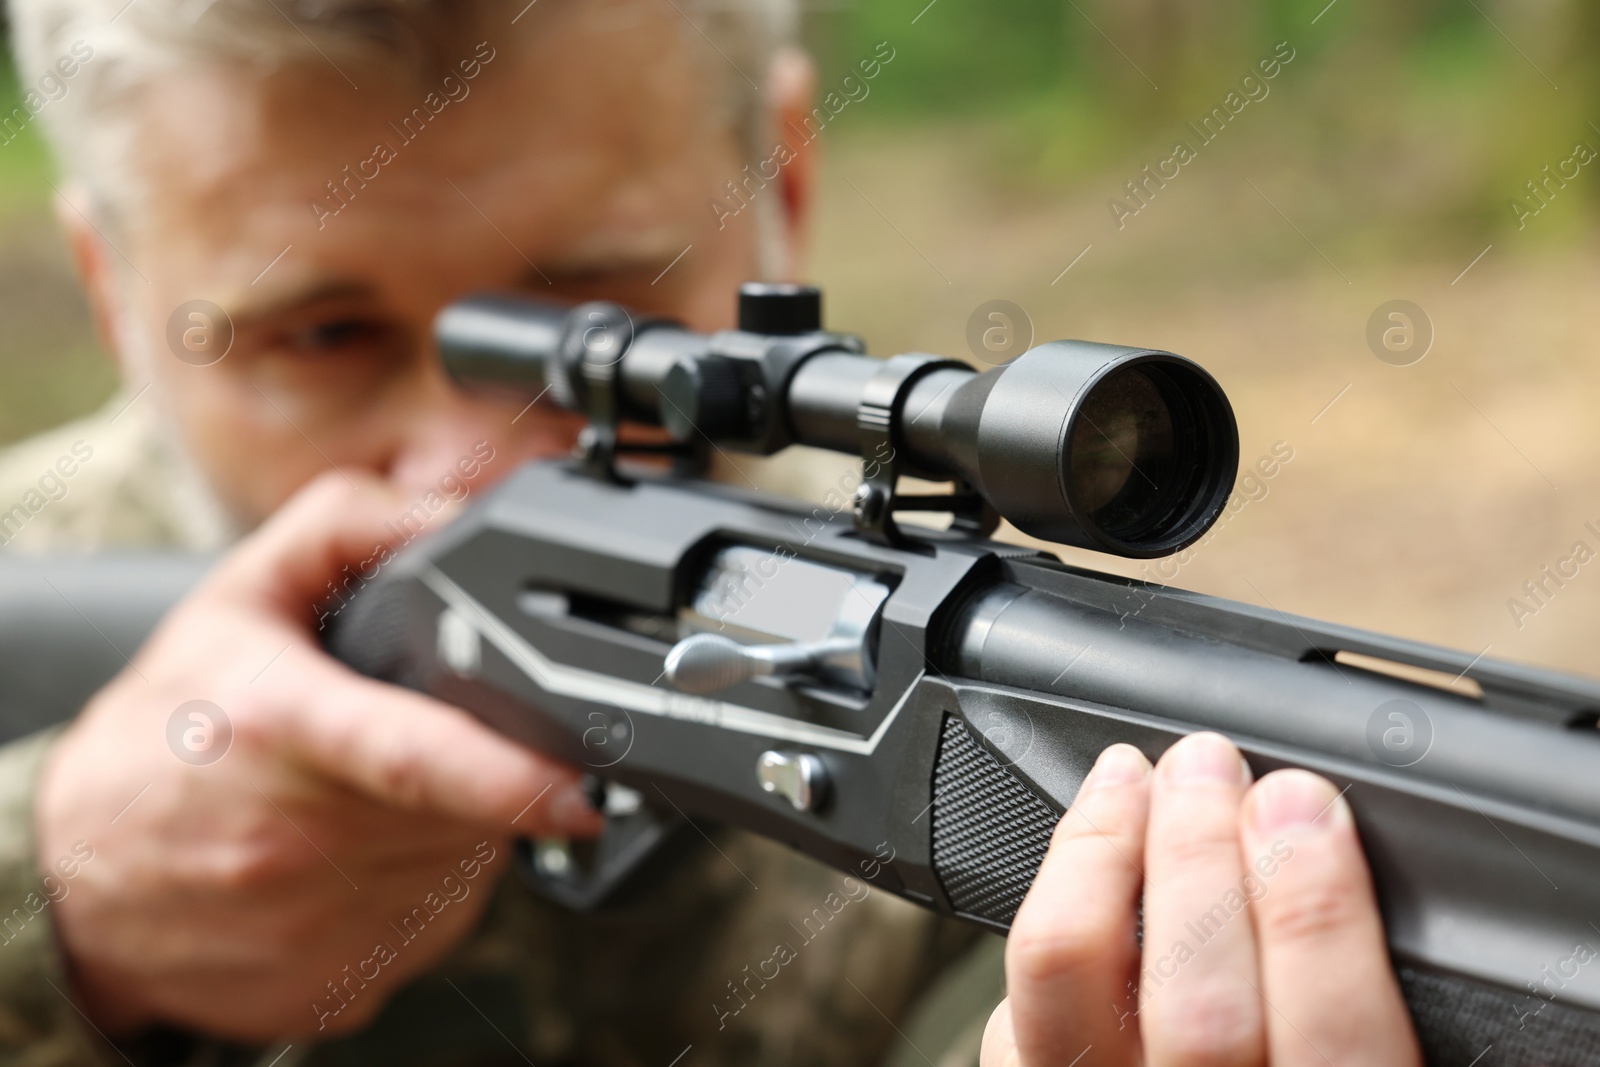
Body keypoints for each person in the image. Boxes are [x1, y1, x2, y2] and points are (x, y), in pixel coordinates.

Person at [0, 0, 1420, 1063]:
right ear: (114, 291)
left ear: (784, 182)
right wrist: (52, 919)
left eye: (602, 309)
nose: (470, 466)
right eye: (320, 336)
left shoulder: (1051, 729)